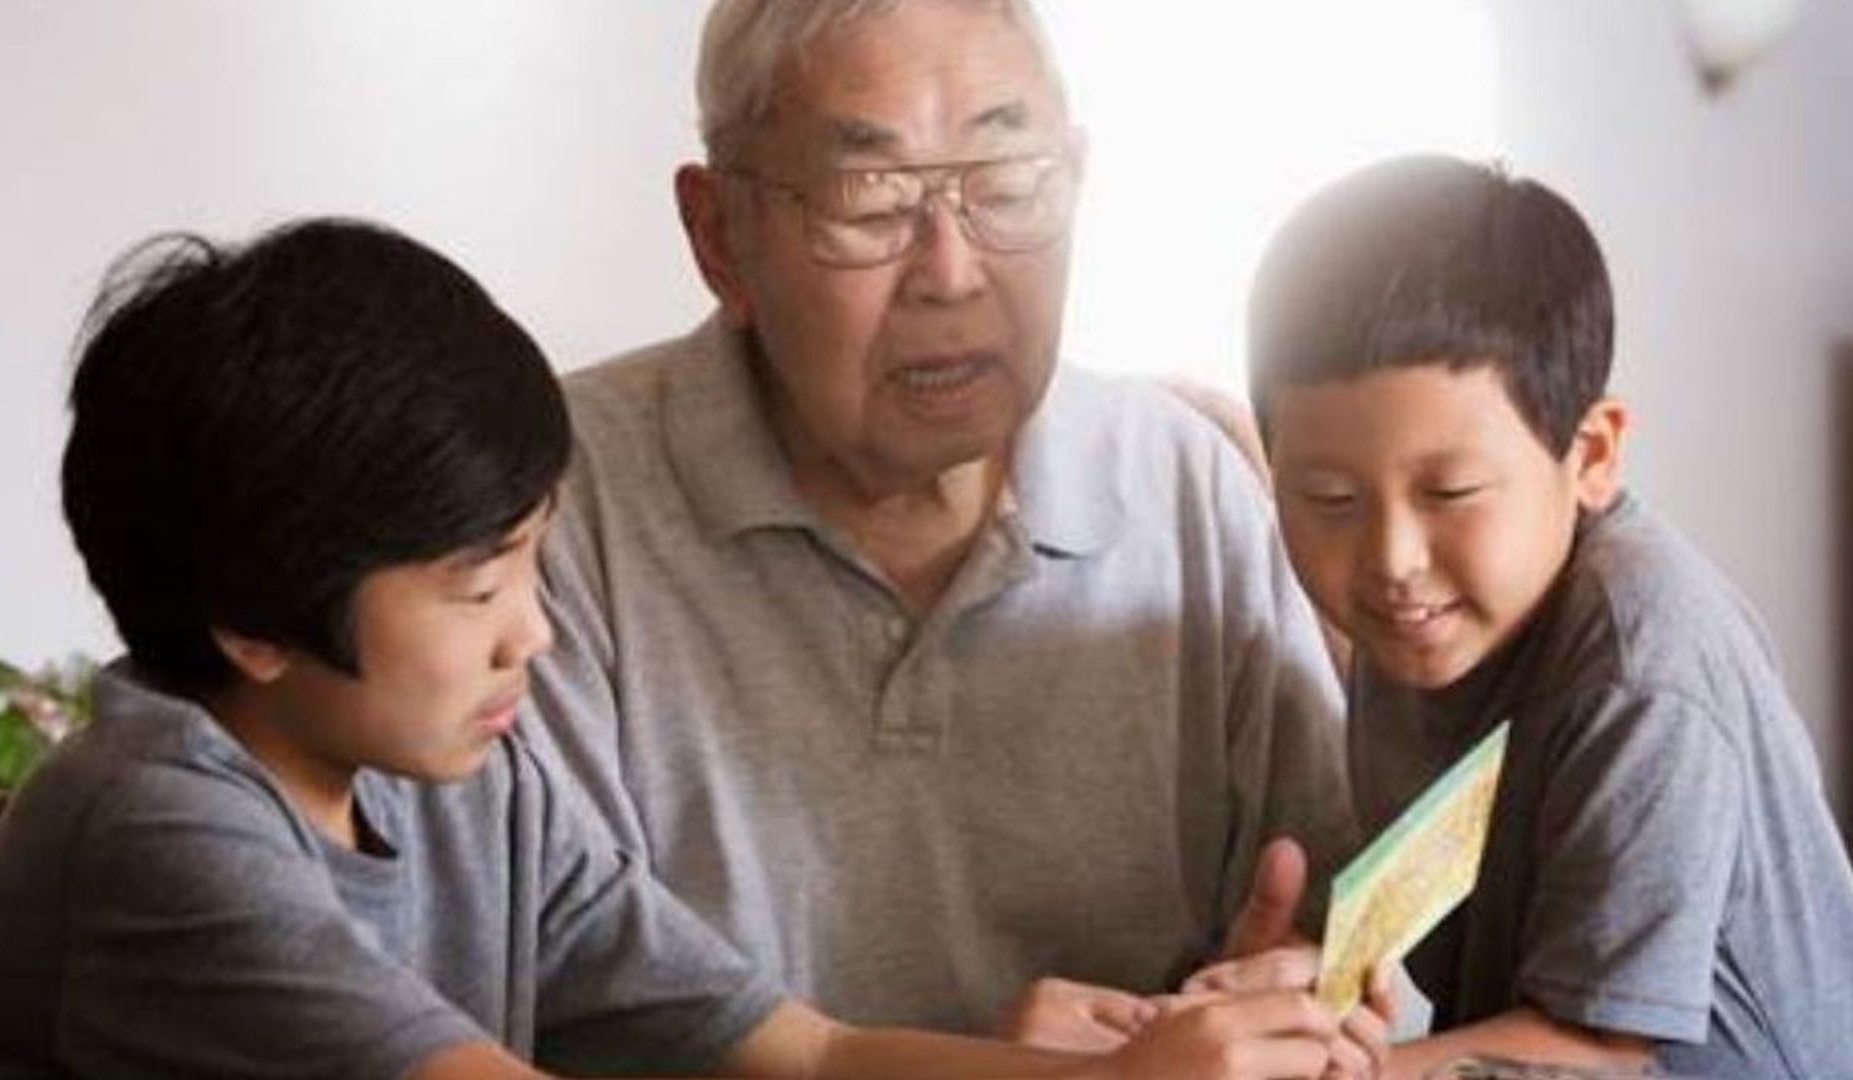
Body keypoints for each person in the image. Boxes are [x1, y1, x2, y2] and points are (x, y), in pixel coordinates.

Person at [0, 218, 1358, 1079]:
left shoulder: (454, 773)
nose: (531, 636)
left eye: (531, 561)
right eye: (475, 587)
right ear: (252, 625)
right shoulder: (160, 831)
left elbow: (799, 1051)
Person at [531, 0, 1361, 1049]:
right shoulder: (557, 506)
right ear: (720, 236)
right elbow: (536, 1001)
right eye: (869, 203)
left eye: (1009, 189)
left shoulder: (1184, 481)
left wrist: (1288, 990)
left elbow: (1337, 924)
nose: (953, 273)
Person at [1247, 153, 1853, 1078]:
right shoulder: (1422, 628)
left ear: (1594, 454)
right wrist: (1306, 994)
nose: (1390, 560)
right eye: (1330, 499)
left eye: (1451, 491)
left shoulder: (1642, 671)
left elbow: (1597, 1053)